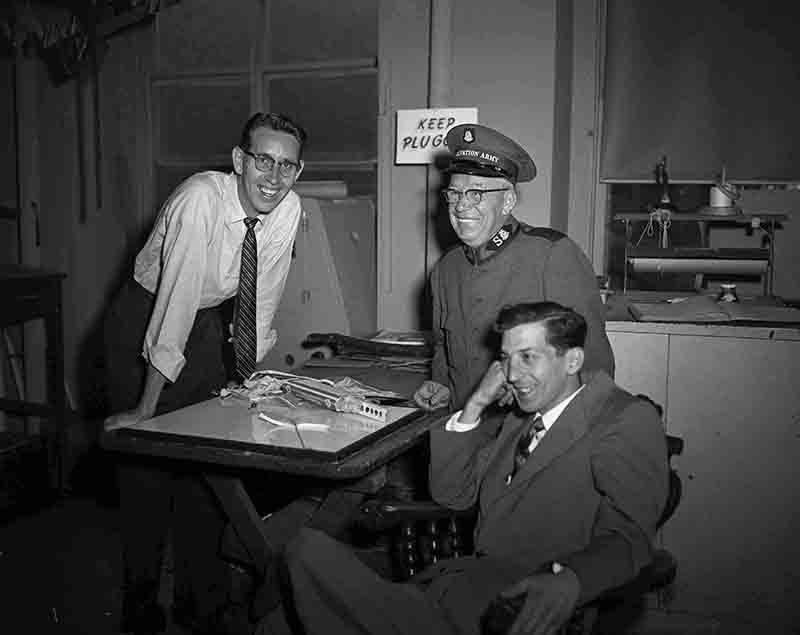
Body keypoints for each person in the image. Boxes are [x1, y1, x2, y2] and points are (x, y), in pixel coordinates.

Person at [283, 301, 668, 635]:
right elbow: (453, 494)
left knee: (305, 556)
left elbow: (631, 535)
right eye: (505, 359)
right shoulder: (523, 417)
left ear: (573, 359)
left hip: (516, 611)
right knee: (304, 563)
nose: (513, 374)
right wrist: (475, 405)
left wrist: (572, 580)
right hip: (455, 591)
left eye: (528, 357)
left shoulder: (623, 418)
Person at [102, 112, 307, 634]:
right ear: (239, 161)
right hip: (143, 321)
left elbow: (259, 307)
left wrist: (247, 380)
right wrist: (147, 406)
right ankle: (141, 612)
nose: (274, 177)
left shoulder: (287, 209)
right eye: (264, 160)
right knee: (147, 472)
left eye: (287, 166)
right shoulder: (199, 200)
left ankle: (205, 610)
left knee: (210, 467)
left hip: (205, 322)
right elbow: (172, 309)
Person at [414, 124, 615, 413]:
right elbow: (444, 349)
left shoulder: (552, 254)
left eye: (476, 194)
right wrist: (442, 386)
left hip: (528, 438)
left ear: (508, 200)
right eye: (455, 194)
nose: (460, 206)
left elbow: (593, 366)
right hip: (462, 432)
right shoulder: (447, 269)